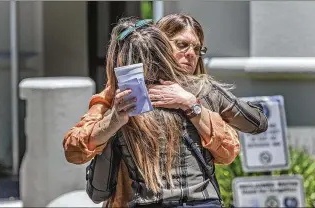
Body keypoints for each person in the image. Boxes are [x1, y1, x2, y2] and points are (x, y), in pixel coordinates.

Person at [63, 14, 268, 207]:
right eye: (181, 45)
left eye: (197, 49)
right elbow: (74, 149)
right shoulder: (116, 95)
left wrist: (192, 105)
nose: (190, 54)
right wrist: (113, 121)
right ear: (159, 45)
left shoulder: (202, 90)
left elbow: (236, 144)